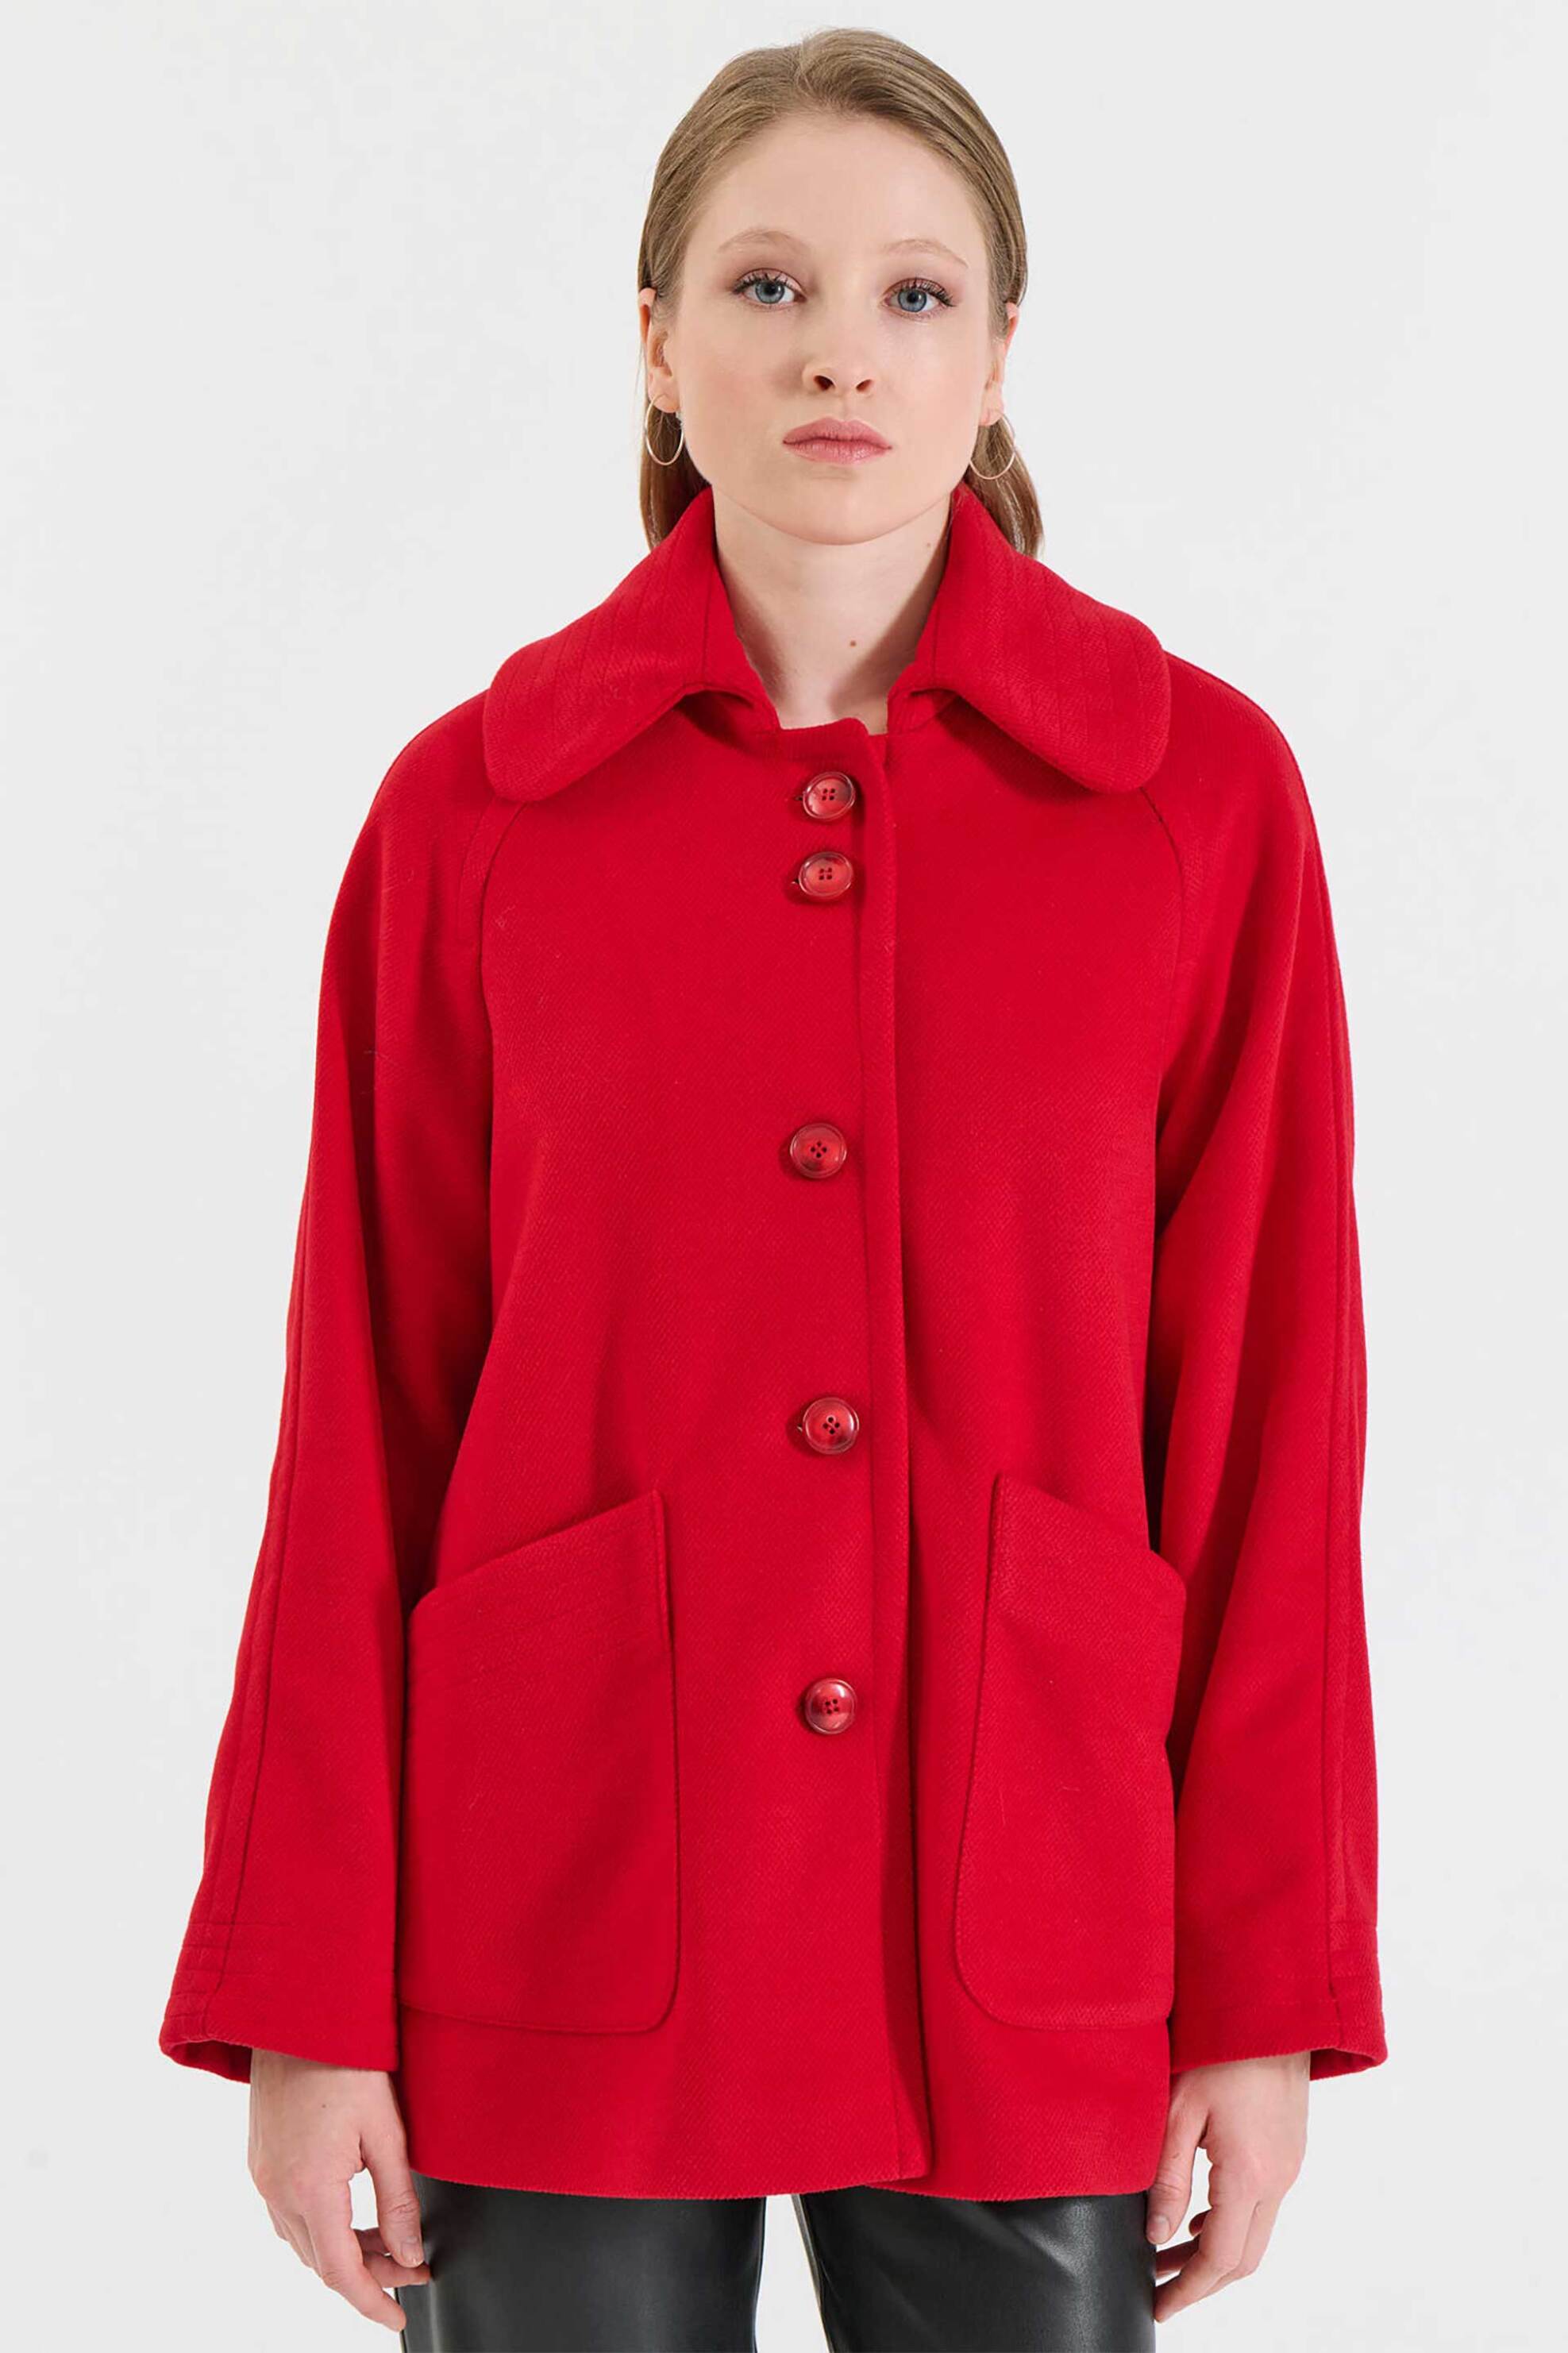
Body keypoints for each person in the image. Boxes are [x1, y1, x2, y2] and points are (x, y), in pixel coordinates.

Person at [157, 27, 1387, 2351]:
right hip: (558, 1895)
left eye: (918, 294)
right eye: (765, 284)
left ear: (999, 355)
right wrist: (306, 1996)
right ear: (656, 342)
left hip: (1035, 1899)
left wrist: (1266, 1988)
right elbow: (363, 1421)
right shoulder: (474, 818)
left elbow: (1267, 1416)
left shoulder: (1194, 804)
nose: (843, 349)